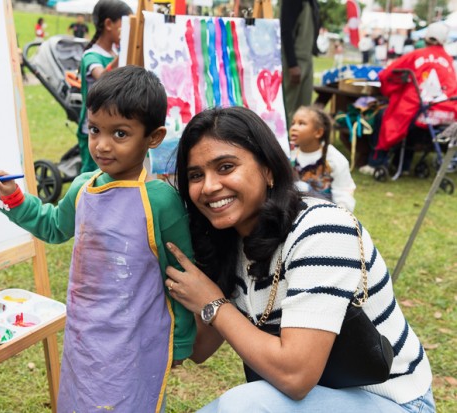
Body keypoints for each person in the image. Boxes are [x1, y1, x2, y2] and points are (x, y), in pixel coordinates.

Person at [163, 106, 435, 412]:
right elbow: (199, 349)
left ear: (268, 169)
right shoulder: (230, 241)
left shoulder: (322, 228)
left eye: (225, 167)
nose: (209, 186)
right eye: (196, 175)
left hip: (395, 402)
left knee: (244, 405)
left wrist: (213, 303)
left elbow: (295, 376)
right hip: (316, 398)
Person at [0, 66, 196, 412]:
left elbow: (182, 275)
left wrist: (182, 341)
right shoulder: (82, 187)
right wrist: (15, 198)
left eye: (120, 134)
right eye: (95, 129)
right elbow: (53, 226)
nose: (102, 145)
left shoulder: (161, 201)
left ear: (154, 137)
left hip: (135, 341)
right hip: (83, 334)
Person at [359, 22, 457, 175]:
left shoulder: (417, 55)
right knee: (409, 121)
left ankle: (376, 163)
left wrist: (392, 90)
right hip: (447, 111)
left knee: (385, 117)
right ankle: (403, 165)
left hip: (421, 109)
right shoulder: (448, 59)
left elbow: (388, 74)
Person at [76, 0, 132, 173]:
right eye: (126, 25)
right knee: (92, 174)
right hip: (93, 130)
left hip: (113, 125)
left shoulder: (115, 53)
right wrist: (126, 50)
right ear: (109, 24)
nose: (129, 31)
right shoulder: (91, 55)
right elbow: (103, 77)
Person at [290, 105, 356, 212]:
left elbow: (343, 193)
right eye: (293, 123)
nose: (294, 128)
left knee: (302, 187)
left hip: (324, 212)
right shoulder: (288, 153)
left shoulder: (334, 159)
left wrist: (340, 215)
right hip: (292, 210)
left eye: (301, 123)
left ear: (318, 132)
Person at [280, 0, 320, 128]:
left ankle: (301, 138)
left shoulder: (312, 2)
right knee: (287, 106)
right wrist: (292, 64)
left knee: (304, 109)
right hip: (293, 60)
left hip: (307, 58)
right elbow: (285, 30)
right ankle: (281, 137)